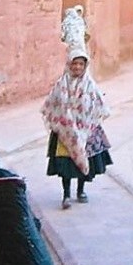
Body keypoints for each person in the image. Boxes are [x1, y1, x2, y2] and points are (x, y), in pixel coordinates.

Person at [41, 47, 112, 209]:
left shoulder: (90, 85)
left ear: (85, 66)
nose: (77, 67)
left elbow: (99, 105)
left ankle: (81, 191)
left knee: (83, 161)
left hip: (85, 131)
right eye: (74, 64)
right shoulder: (61, 84)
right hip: (65, 132)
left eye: (81, 64)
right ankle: (66, 195)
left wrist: (88, 121)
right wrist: (62, 119)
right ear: (69, 64)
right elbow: (51, 104)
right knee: (65, 164)